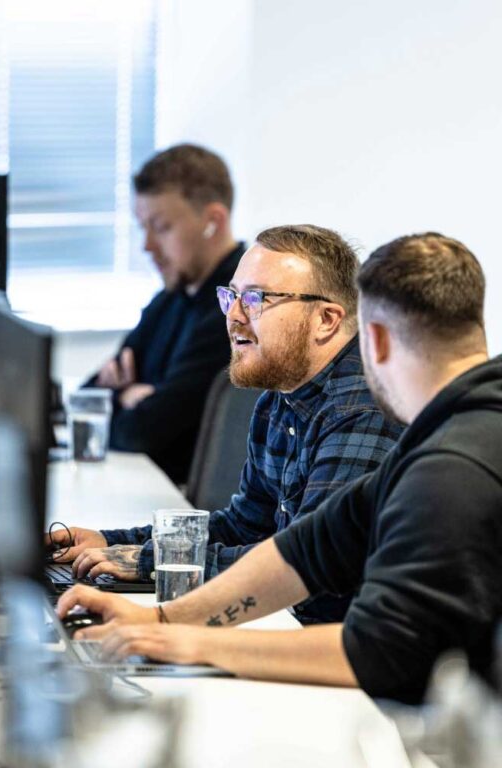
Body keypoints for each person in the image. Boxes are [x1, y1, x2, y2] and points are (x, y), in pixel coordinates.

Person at [57, 232, 502, 704]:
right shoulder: (452, 428)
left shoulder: (450, 466)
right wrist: (163, 620)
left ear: (372, 339)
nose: (232, 316)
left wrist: (190, 642)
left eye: (255, 299)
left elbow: (379, 651)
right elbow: (306, 549)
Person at [53, 225, 402, 624]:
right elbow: (244, 527)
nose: (234, 316)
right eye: (231, 296)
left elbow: (309, 568)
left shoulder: (361, 408)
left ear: (326, 319)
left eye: (256, 299)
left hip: (342, 658)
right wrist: (111, 543)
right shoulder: (278, 399)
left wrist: (149, 561)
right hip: (287, 625)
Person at [84, 143, 245, 483]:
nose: (146, 245)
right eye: (143, 227)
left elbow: (140, 434)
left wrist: (127, 401)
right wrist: (128, 395)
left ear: (213, 222)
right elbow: (87, 398)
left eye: (161, 227)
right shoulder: (171, 298)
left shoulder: (235, 311)